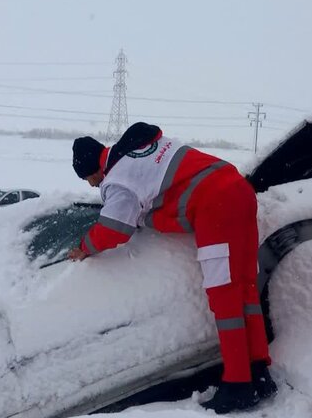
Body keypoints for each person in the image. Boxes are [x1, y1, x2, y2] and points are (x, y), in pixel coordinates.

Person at [68, 122, 277, 414]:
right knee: (245, 287)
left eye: (89, 180)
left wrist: (83, 246)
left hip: (215, 207)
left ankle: (239, 384)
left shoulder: (117, 179)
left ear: (92, 171)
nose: (93, 186)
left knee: (225, 299)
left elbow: (114, 229)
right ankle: (260, 373)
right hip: (238, 189)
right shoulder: (137, 149)